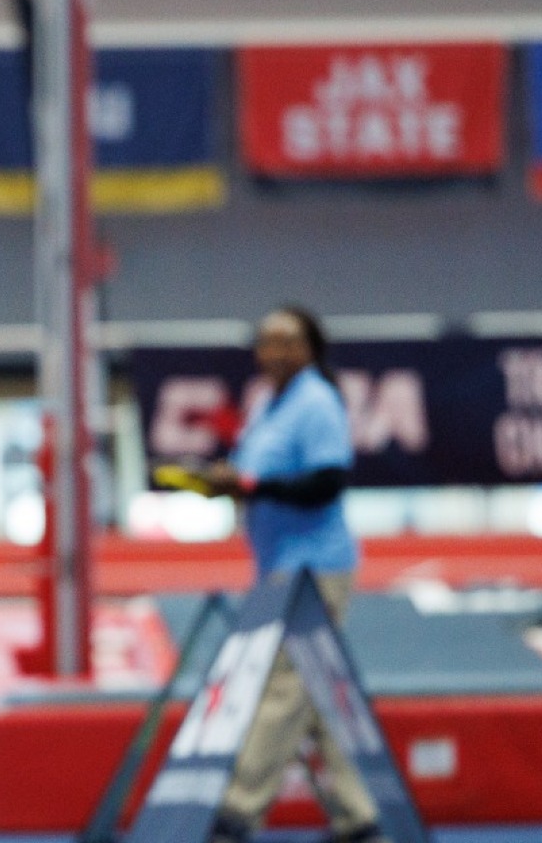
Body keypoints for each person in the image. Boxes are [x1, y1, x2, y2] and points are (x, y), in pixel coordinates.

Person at [197, 307, 381, 843]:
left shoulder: (317, 401)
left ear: (310, 348)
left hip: (314, 568)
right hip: (278, 566)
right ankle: (358, 817)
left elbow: (327, 483)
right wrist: (229, 484)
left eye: (288, 342)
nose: (275, 351)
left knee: (286, 686)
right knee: (321, 692)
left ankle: (237, 811)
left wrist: (254, 488)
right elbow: (259, 476)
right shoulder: (268, 404)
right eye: (267, 342)